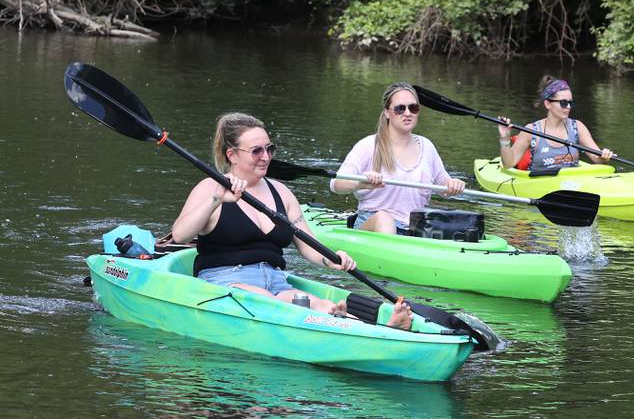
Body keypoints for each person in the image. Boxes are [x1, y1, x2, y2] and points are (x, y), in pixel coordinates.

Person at [171, 112, 412, 329]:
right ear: (232, 155)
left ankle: (382, 330)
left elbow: (308, 243)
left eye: (269, 149)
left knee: (321, 305)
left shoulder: (282, 192)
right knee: (270, 304)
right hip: (225, 280)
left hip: (275, 281)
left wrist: (331, 260)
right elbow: (180, 235)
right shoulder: (210, 187)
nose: (266, 157)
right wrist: (216, 199)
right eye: (257, 151)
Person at [330, 82, 466, 234]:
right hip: (374, 225)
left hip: (415, 229)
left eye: (413, 108)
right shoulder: (368, 145)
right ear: (387, 112)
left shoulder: (427, 146)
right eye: (400, 108)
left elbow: (444, 187)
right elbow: (336, 184)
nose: (407, 113)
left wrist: (453, 184)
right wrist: (359, 182)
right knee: (384, 218)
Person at [497, 75, 614, 172]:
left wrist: (604, 156)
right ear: (547, 104)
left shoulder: (577, 127)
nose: (568, 107)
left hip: (572, 185)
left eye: (570, 103)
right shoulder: (531, 131)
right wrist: (505, 138)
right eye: (563, 103)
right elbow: (508, 164)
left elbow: (597, 159)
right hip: (539, 185)